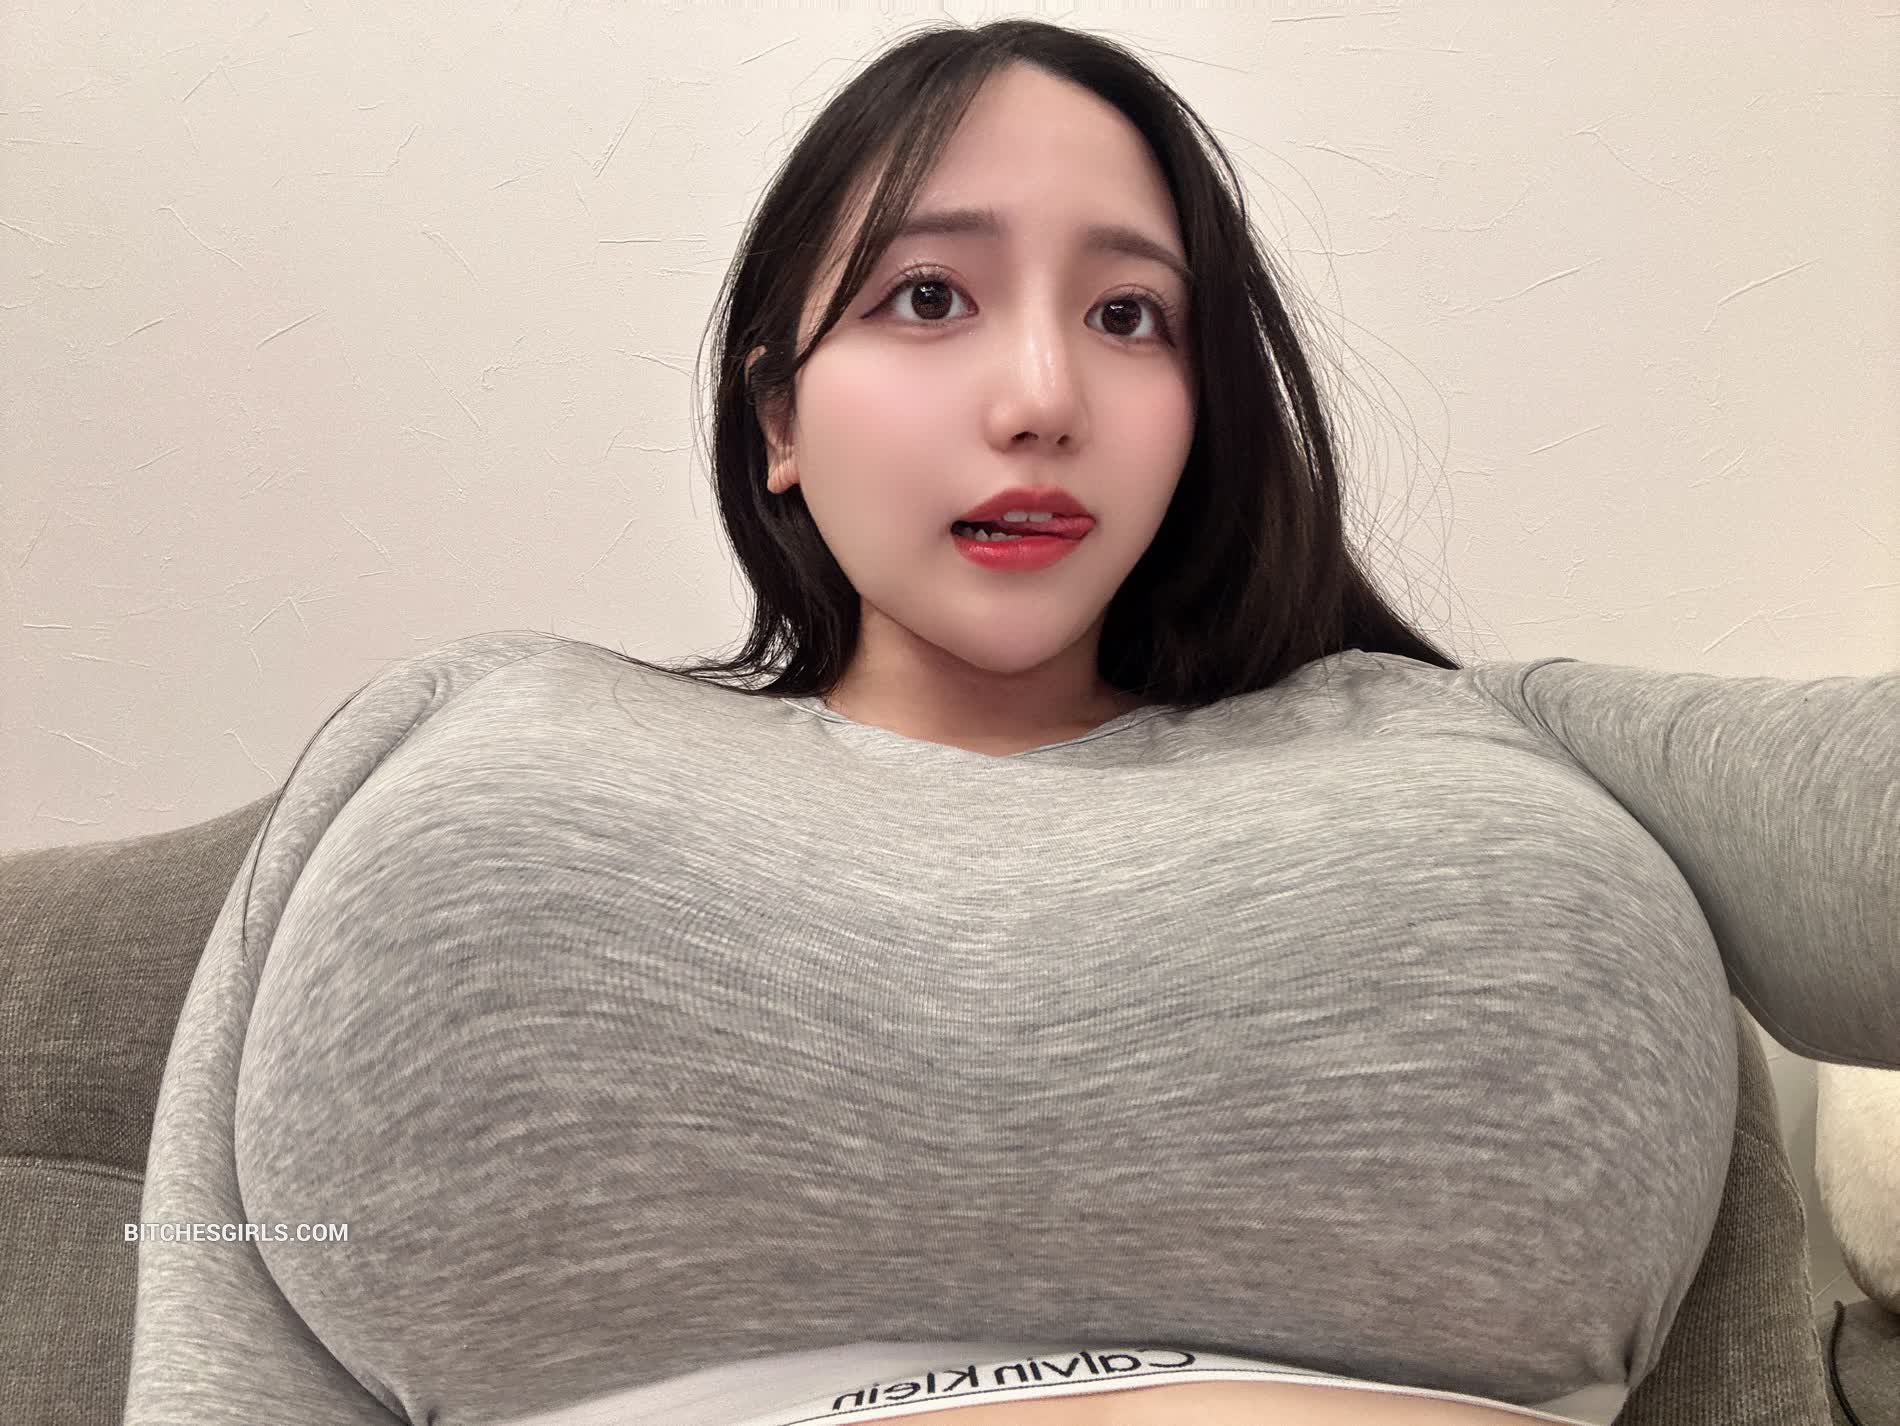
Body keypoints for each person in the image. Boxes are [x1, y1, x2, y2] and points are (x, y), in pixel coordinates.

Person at [121, 18, 1897, 1426]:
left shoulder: (1483, 738)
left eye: (1129, 315)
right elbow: (223, 1294)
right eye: (928, 296)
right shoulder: (479, 722)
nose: (1044, 396)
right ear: (777, 418)